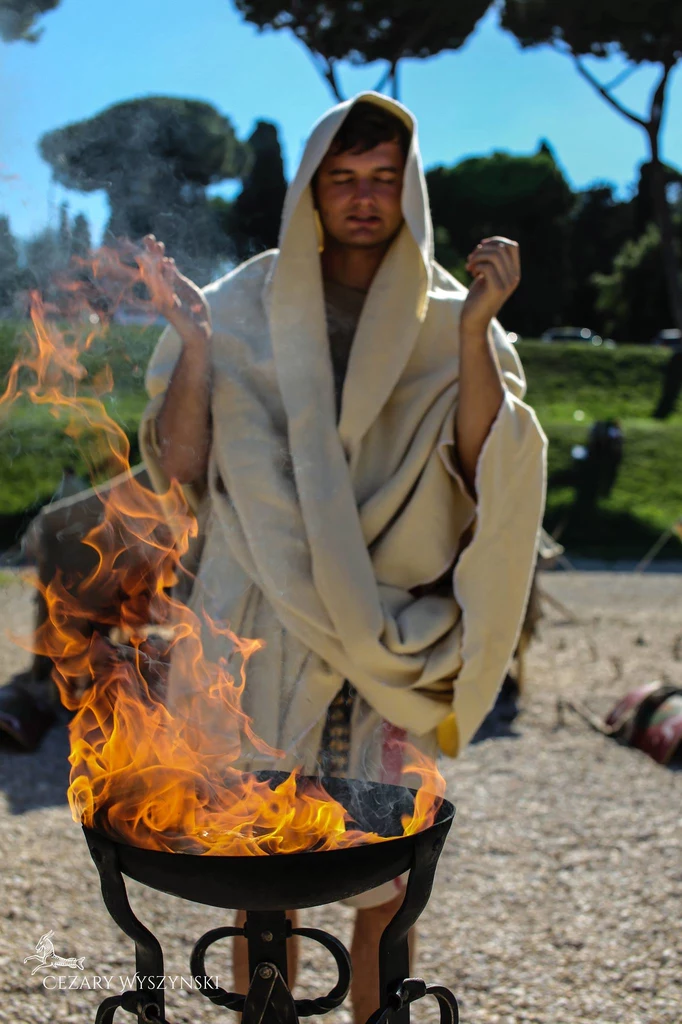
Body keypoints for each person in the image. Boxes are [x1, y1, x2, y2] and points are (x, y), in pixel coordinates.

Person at [138, 93, 547, 1023]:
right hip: (259, 627)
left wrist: (480, 330)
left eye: (384, 179)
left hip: (387, 631)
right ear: (311, 191)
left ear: (412, 190)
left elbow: (488, 467)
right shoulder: (236, 306)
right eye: (343, 178)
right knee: (259, 881)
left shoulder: (454, 312)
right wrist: (196, 349)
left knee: (388, 889)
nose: (364, 198)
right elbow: (183, 467)